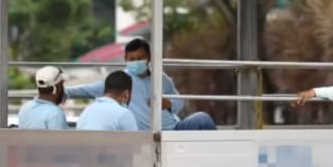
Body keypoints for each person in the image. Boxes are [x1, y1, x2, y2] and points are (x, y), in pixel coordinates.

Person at [66, 38, 216, 130]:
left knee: (203, 119)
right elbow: (86, 90)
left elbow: (180, 101)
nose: (136, 62)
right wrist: (63, 92)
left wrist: (168, 103)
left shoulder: (161, 78)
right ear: (125, 59)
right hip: (149, 137)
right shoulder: (120, 80)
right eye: (132, 59)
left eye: (140, 58)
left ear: (149, 58)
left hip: (175, 128)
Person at [17, 65, 69, 130]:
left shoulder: (25, 108)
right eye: (62, 84)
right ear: (58, 87)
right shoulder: (55, 114)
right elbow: (61, 139)